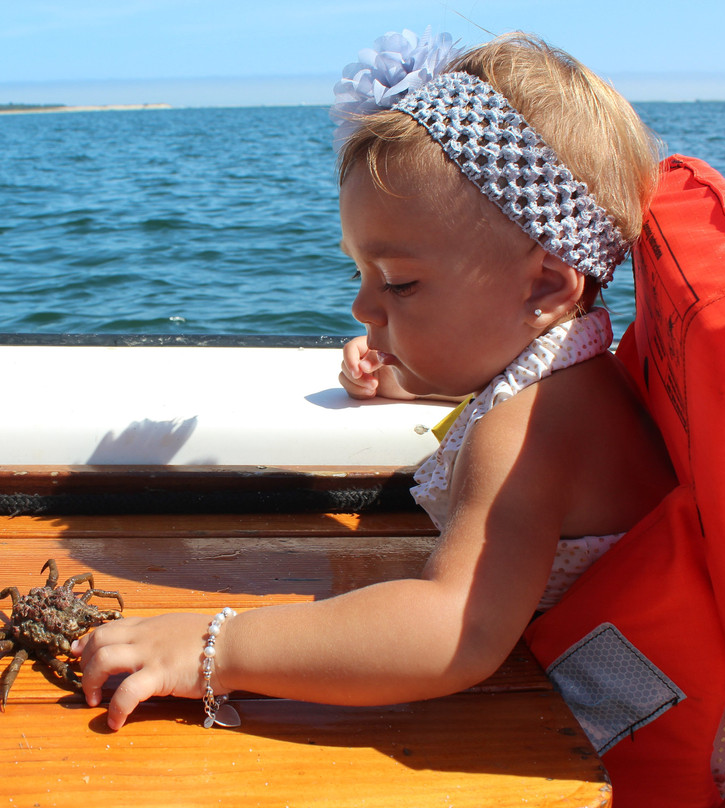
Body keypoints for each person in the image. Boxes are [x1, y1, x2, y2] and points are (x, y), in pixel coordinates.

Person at [73, 27, 690, 792]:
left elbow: (452, 632)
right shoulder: (562, 375)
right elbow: (503, 385)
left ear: (545, 287)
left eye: (398, 283)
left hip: (607, 745)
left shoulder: (531, 429)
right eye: (362, 270)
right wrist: (409, 380)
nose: (364, 304)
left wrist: (214, 648)